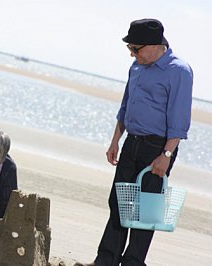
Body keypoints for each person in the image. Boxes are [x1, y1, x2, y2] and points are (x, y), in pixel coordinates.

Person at [76, 19, 193, 266]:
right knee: (118, 203)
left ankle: (133, 263)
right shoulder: (137, 66)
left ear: (154, 45)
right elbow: (126, 105)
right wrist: (115, 140)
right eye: (130, 49)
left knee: (145, 211)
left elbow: (180, 120)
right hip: (131, 143)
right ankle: (106, 261)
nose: (132, 54)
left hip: (158, 148)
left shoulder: (179, 71)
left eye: (135, 48)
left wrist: (167, 155)